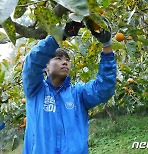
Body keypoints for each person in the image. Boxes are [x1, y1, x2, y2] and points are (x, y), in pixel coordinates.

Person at [22, 18, 117, 154]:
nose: (65, 62)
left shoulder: (78, 93)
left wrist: (107, 45)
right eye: (58, 59)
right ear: (45, 67)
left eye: (67, 60)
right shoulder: (35, 91)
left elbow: (104, 88)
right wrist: (60, 35)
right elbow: (32, 63)